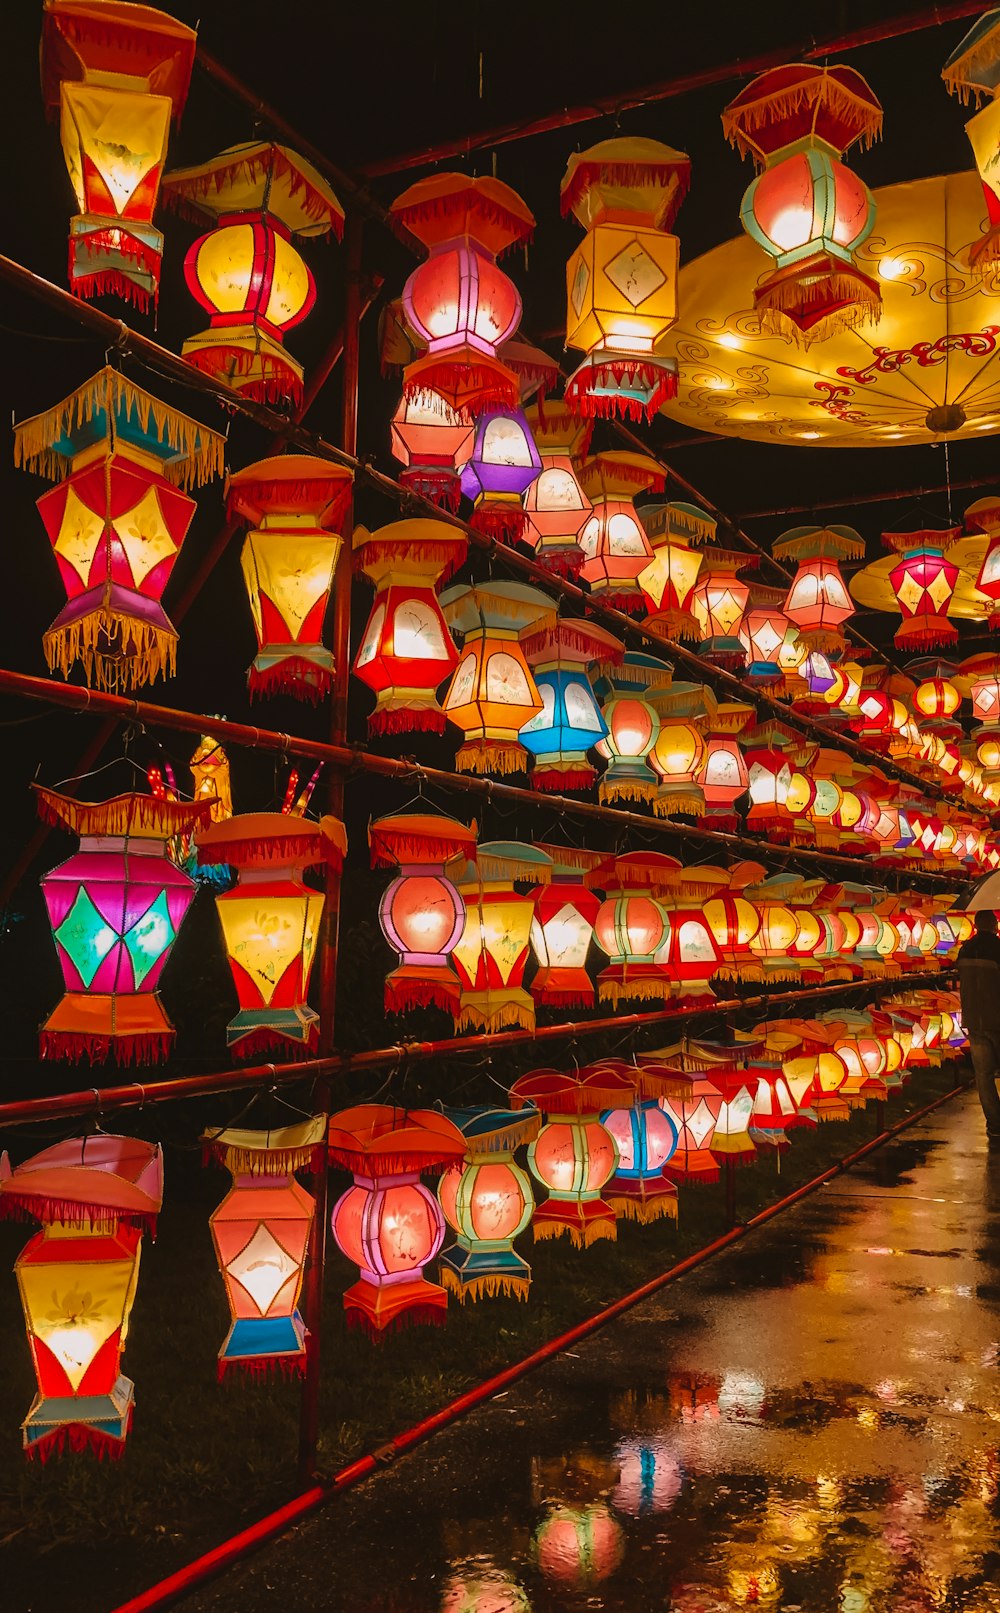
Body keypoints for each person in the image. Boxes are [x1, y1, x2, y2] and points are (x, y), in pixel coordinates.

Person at [957, 909, 1000, 1147]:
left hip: (974, 1019)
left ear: (975, 926)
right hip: (998, 1018)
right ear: (994, 926)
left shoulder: (965, 949)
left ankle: (995, 1126)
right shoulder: (997, 949)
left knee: (983, 1076)